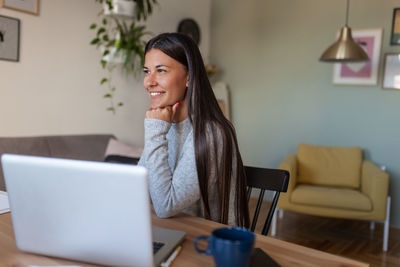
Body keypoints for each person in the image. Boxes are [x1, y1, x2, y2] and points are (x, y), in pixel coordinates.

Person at [138, 33, 249, 227]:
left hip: (208, 244)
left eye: (161, 71)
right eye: (147, 71)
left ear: (188, 77)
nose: (149, 82)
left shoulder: (212, 133)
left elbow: (166, 206)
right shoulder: (165, 123)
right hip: (172, 231)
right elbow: (138, 189)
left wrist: (155, 130)